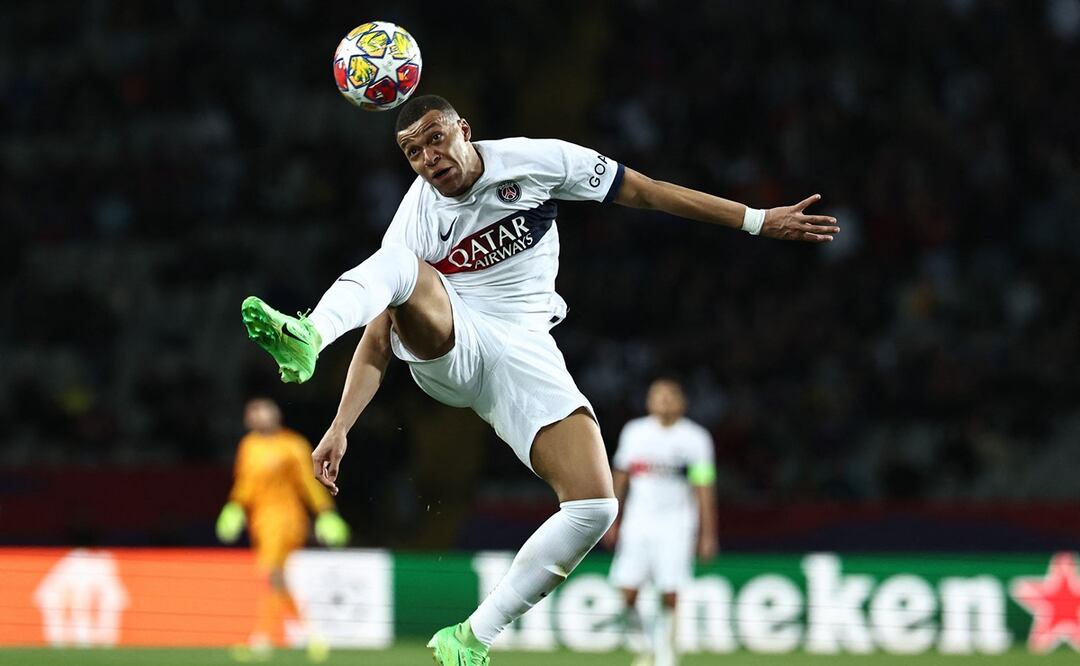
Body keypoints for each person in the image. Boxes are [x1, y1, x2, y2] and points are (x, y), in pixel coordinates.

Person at [240, 94, 838, 665]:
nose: (429, 159)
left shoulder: (538, 161)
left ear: (464, 130)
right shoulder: (416, 214)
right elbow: (380, 333)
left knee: (596, 506)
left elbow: (646, 192)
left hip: (525, 350)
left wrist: (758, 220)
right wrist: (340, 425)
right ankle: (309, 334)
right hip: (453, 340)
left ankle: (473, 635)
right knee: (397, 264)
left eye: (436, 140)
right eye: (413, 152)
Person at [215, 397, 351, 662]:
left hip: (286, 520)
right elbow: (245, 483)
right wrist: (234, 507)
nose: (260, 417)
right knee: (277, 579)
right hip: (261, 523)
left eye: (264, 412)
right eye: (254, 413)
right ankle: (311, 635)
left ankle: (263, 639)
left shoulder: (293, 445)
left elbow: (308, 483)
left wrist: (326, 513)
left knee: (274, 575)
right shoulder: (249, 446)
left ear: (276, 416)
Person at [602, 378, 717, 666]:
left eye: (670, 396)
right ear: (649, 402)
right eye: (658, 396)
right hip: (639, 522)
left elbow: (704, 488)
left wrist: (707, 534)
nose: (664, 401)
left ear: (682, 402)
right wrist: (612, 519)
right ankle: (649, 645)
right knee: (627, 592)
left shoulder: (696, 439)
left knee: (671, 590)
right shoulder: (635, 433)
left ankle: (666, 654)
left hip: (676, 524)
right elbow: (621, 477)